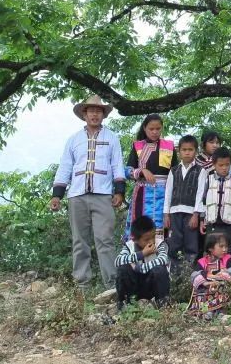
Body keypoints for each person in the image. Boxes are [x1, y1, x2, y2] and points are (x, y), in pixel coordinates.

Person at [50, 95, 126, 292]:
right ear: (84, 114)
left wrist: (119, 192)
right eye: (90, 110)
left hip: (103, 194)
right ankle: (83, 285)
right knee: (79, 241)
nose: (94, 114)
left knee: (105, 240)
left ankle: (111, 285)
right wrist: (57, 194)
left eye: (98, 110)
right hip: (77, 195)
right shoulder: (73, 140)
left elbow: (117, 165)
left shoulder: (112, 138)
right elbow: (65, 166)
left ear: (103, 114)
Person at [163, 134, 206, 264]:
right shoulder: (174, 170)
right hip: (174, 212)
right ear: (179, 151)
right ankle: (175, 274)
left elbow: (200, 194)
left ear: (196, 151)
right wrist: (166, 214)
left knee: (191, 244)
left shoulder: (200, 170)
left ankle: (189, 274)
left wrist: (196, 214)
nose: (187, 153)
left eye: (190, 150)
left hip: (190, 213)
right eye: (184, 150)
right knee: (175, 242)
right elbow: (168, 193)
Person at [114, 215, 171, 309]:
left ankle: (163, 304)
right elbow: (117, 261)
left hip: (152, 287)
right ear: (135, 239)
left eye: (153, 236)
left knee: (160, 270)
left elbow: (163, 259)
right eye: (147, 239)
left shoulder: (160, 244)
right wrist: (142, 254)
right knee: (123, 269)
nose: (151, 241)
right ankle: (123, 305)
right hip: (135, 287)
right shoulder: (129, 246)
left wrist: (138, 268)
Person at [189, 233, 231, 319]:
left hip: (222, 287)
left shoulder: (228, 259)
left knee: (222, 288)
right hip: (206, 290)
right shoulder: (202, 262)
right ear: (210, 248)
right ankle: (206, 311)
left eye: (226, 246)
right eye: (221, 246)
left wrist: (223, 275)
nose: (224, 249)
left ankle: (221, 312)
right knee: (201, 290)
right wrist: (205, 283)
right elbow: (194, 275)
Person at [198, 148, 231, 241]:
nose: (224, 168)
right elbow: (203, 200)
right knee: (211, 248)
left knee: (228, 249)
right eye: (221, 165)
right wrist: (201, 220)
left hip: (229, 223)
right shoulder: (208, 180)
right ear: (214, 165)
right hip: (211, 222)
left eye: (227, 165)